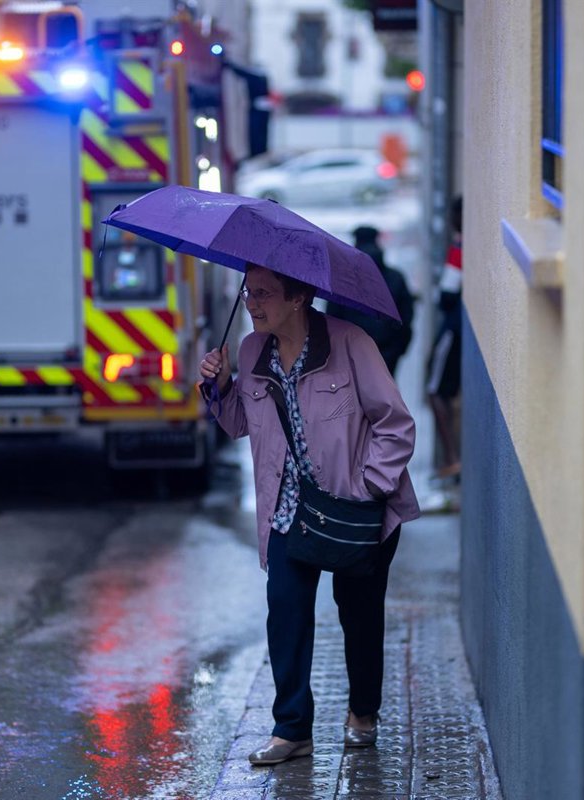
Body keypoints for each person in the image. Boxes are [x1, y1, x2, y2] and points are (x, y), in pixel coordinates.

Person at [198, 264, 420, 765]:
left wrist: (369, 486)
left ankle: (363, 711)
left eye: (264, 294)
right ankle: (292, 728)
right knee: (286, 612)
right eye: (248, 292)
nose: (252, 304)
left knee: (359, 615)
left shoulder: (351, 343)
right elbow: (239, 424)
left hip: (354, 509)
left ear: (298, 297)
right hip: (288, 509)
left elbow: (396, 424)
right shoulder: (252, 351)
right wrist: (221, 386)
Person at [325, 225, 415, 375]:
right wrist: (398, 349)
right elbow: (406, 316)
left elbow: (332, 318)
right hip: (387, 352)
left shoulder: (342, 280)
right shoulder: (395, 278)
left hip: (351, 352)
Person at [426, 195, 463, 478]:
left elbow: (447, 296)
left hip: (453, 327)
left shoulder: (459, 248)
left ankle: (452, 457)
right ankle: (453, 458)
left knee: (435, 390)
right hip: (461, 326)